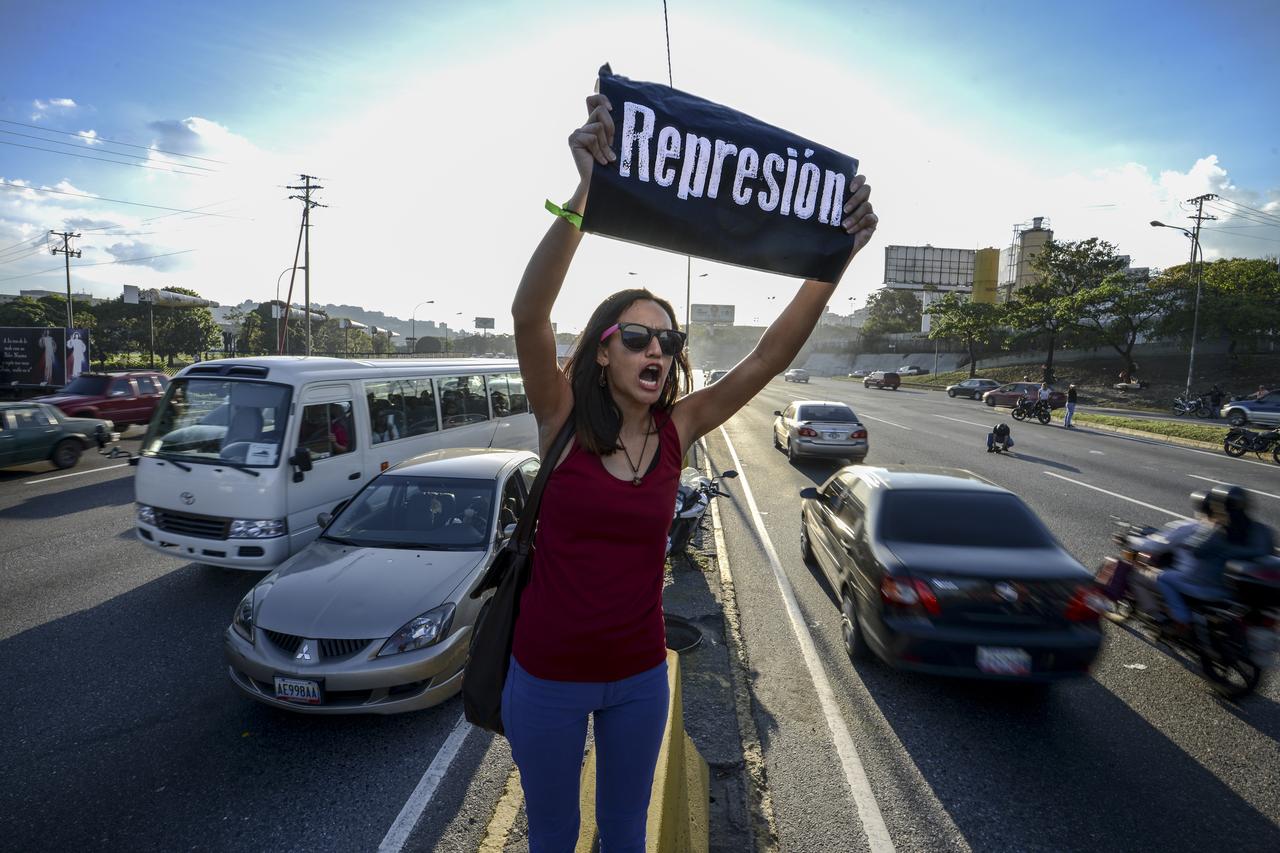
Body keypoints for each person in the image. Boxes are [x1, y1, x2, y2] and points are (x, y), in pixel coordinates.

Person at [506, 89, 876, 851]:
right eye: (637, 335)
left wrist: (834, 257)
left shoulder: (680, 426)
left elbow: (771, 354)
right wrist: (584, 193)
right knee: (549, 836)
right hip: (543, 677)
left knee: (623, 840)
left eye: (667, 342)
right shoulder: (559, 419)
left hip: (640, 678)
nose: (656, 350)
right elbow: (528, 317)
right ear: (602, 349)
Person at [1148, 486, 1274, 632]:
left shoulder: (1219, 531)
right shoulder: (1261, 530)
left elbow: (1197, 552)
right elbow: (1267, 552)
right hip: (1240, 591)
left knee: (1163, 577)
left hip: (1213, 586)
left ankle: (1181, 619)